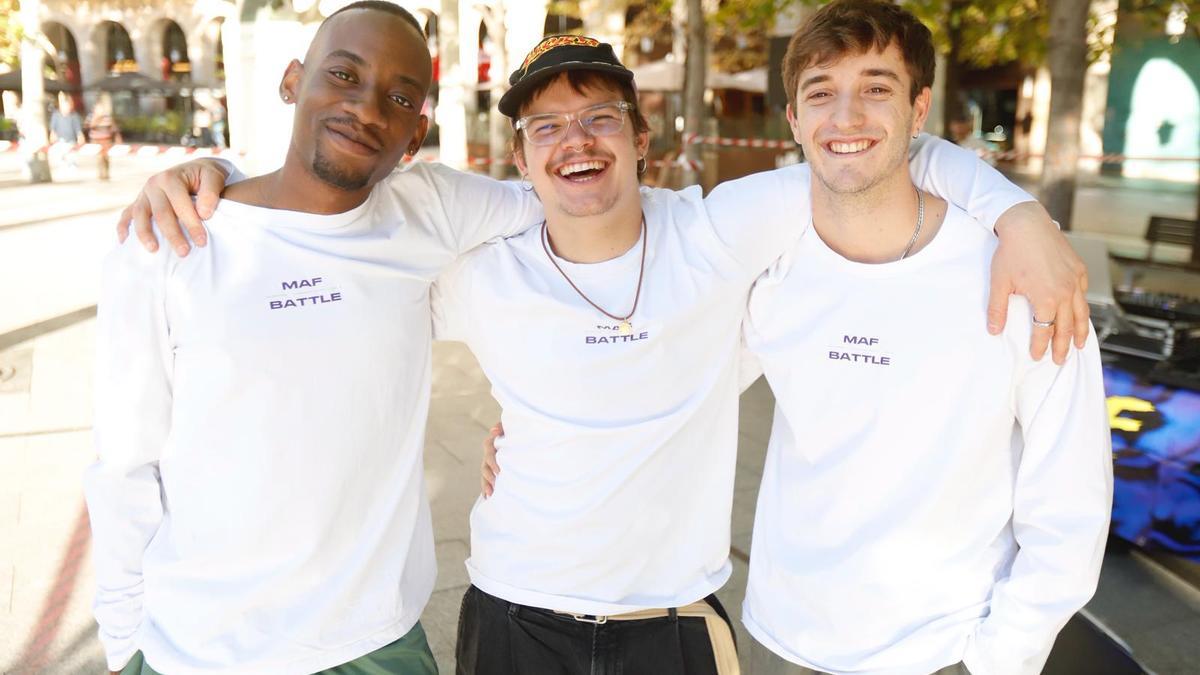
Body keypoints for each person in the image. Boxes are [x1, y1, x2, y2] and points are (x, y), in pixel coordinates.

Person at [115, 40, 1092, 675]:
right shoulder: (476, 263)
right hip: (514, 621)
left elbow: (861, 148)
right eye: (546, 127)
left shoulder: (717, 235)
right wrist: (215, 177)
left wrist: (1019, 215)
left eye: (598, 119)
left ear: (642, 138)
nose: (573, 142)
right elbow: (327, 215)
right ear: (522, 156)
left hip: (675, 627)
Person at [85, 3, 540, 674]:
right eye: (343, 74)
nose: (366, 107)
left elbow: (574, 206)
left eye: (399, 97)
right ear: (293, 80)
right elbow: (125, 462)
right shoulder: (169, 241)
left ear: (415, 136)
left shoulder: (428, 211)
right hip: (200, 649)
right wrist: (124, 644)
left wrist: (548, 423)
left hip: (375, 643)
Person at [729, 3, 1112, 673]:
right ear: (794, 119)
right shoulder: (765, 260)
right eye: (821, 93)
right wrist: (527, 432)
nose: (846, 117)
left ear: (919, 109)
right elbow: (671, 371)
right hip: (783, 638)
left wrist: (999, 657)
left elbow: (1071, 500)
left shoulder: (1022, 275)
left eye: (877, 88)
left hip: (945, 651)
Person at [87, 93, 122, 180]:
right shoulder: (91, 117)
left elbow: (114, 128)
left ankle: (106, 173)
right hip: (96, 140)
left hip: (106, 140)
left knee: (106, 157)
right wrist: (97, 118)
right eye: (98, 108)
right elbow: (89, 126)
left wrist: (118, 137)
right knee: (99, 157)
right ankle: (101, 173)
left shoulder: (107, 117)